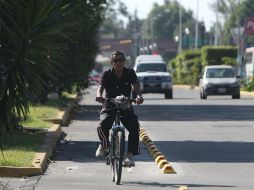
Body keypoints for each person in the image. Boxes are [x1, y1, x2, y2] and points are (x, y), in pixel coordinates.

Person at [95, 50, 144, 167]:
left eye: (120, 60)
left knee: (134, 126)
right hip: (109, 104)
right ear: (112, 62)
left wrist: (139, 96)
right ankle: (104, 144)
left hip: (125, 104)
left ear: (124, 61)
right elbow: (100, 87)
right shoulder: (106, 74)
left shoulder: (130, 73)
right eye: (115, 60)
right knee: (102, 126)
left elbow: (136, 87)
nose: (118, 63)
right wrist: (98, 96)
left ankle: (129, 155)